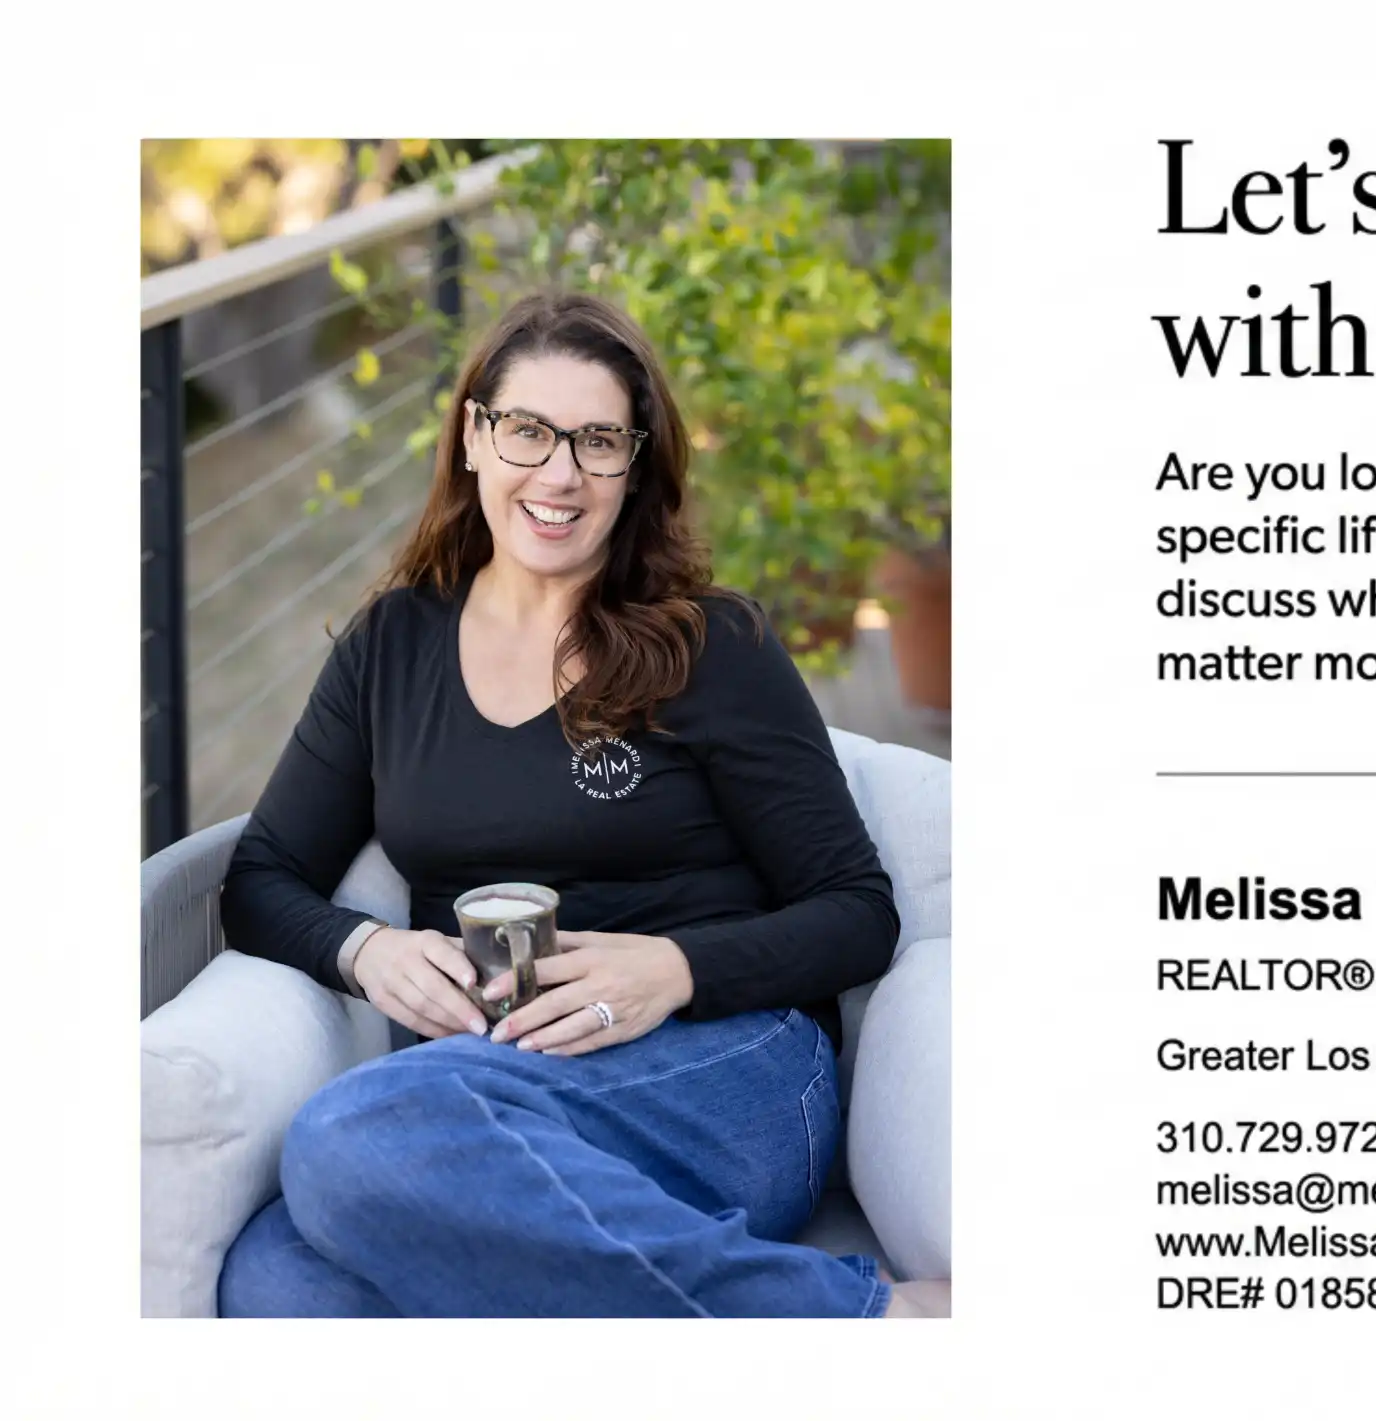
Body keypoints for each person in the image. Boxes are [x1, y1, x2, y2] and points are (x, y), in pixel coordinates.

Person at [215, 292, 945, 1317]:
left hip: (726, 1067)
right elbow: (260, 880)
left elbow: (858, 910)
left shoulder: (709, 644)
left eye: (599, 441)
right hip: (485, 1094)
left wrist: (675, 970)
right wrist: (364, 951)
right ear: (472, 436)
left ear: (635, 465)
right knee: (276, 1279)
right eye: (528, 431)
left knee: (346, 1136)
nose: (560, 473)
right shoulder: (392, 647)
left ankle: (869, 1324)